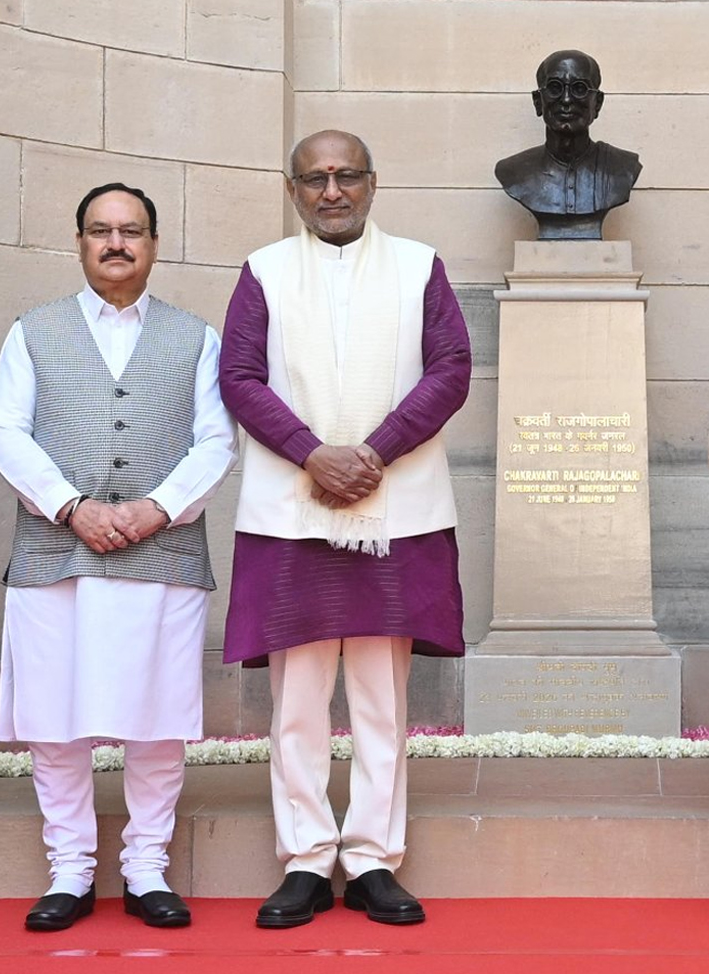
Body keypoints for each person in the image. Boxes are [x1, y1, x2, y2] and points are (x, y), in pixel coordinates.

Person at [219, 129, 471, 928]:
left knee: (380, 698)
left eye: (346, 175)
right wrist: (312, 454)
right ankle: (304, 858)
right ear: (292, 190)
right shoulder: (264, 269)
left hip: (394, 510)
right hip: (291, 515)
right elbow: (239, 377)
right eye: (315, 179)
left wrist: (373, 452)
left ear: (372, 182)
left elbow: (451, 369)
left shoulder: (418, 266)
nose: (332, 191)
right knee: (296, 700)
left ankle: (370, 858)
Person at [0, 182, 236, 931]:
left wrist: (158, 507)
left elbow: (217, 439)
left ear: (153, 244)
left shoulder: (196, 337)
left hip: (164, 553)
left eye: (131, 231)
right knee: (54, 718)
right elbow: (1, 429)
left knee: (158, 719)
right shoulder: (34, 331)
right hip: (54, 554)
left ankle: (146, 868)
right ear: (80, 242)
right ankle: (70, 870)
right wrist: (70, 506)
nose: (116, 243)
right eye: (101, 230)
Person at [493, 49, 642, 240]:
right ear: (538, 102)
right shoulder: (513, 171)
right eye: (554, 88)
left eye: (579, 89)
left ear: (597, 103)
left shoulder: (623, 167)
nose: (566, 100)